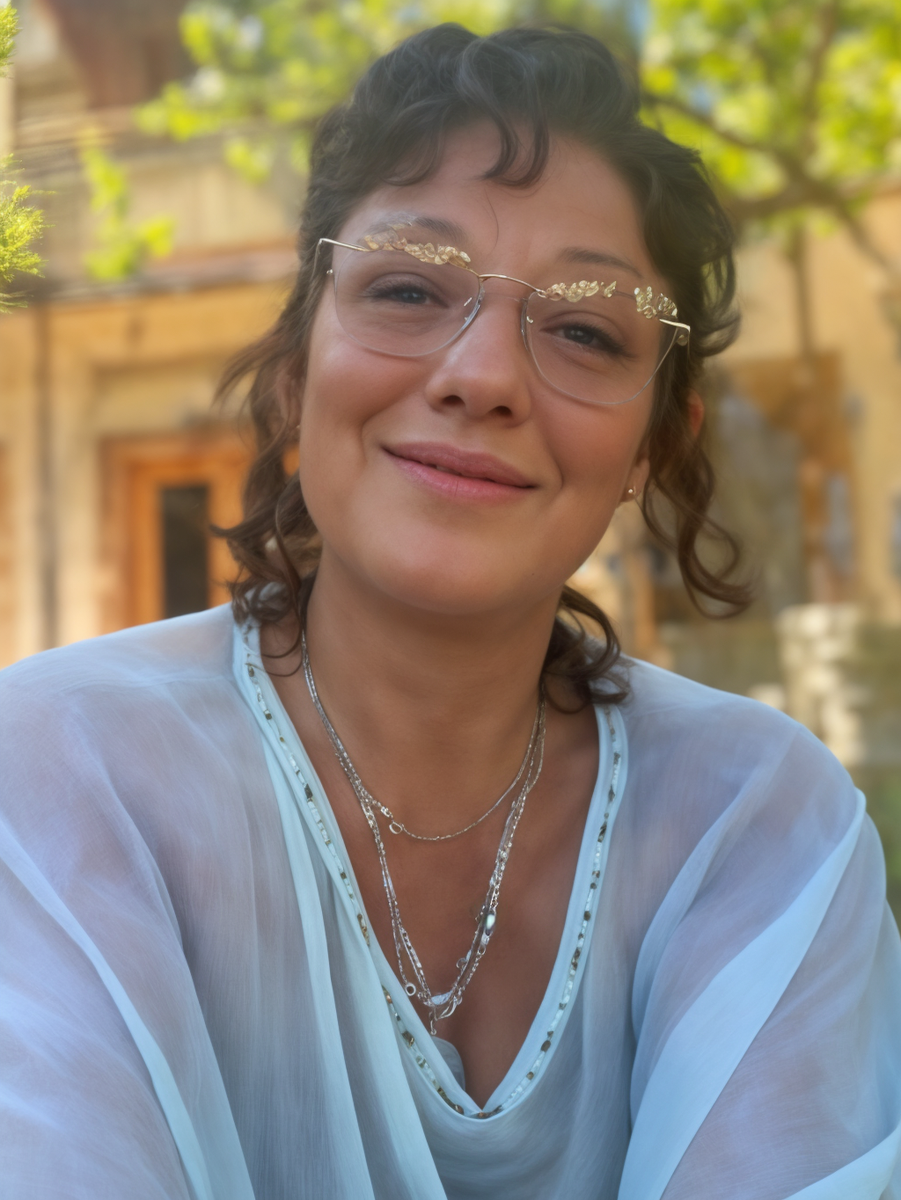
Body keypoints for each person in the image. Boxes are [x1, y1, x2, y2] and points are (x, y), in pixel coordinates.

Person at [1, 23, 900, 1200]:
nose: (480, 377)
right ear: (296, 370)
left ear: (652, 443)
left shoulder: (759, 823)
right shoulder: (53, 770)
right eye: (408, 288)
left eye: (584, 330)